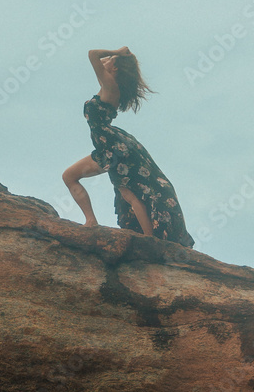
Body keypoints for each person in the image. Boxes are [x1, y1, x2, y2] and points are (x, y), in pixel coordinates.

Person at [62, 47, 194, 247]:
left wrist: (116, 51)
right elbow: (98, 59)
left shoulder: (111, 86)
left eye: (110, 60)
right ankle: (91, 220)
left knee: (128, 194)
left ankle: (149, 239)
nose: (105, 61)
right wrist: (119, 57)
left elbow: (92, 54)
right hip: (105, 148)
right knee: (70, 176)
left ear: (114, 69)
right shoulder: (108, 86)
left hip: (114, 148)